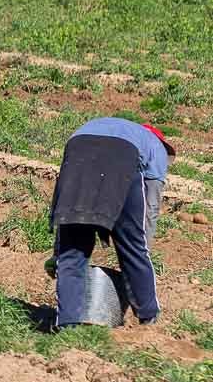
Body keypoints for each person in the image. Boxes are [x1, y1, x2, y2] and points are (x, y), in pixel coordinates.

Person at [50, 116, 171, 328]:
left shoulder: (101, 126)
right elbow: (150, 205)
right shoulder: (157, 147)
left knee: (72, 250)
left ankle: (67, 325)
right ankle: (149, 319)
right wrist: (143, 248)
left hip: (79, 148)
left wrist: (57, 252)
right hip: (121, 161)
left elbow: (63, 199)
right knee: (132, 248)